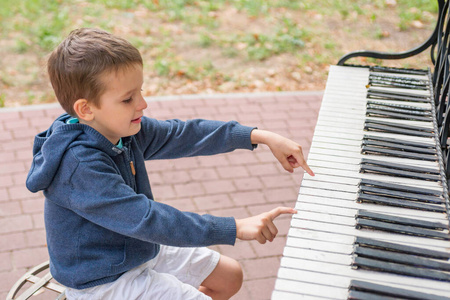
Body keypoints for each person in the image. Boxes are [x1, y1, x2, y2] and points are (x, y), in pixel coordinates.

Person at [26, 28, 314, 300]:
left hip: (136, 247)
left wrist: (258, 136)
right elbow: (147, 219)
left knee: (230, 276)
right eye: (128, 99)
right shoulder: (79, 166)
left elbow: (183, 134)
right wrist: (233, 227)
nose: (143, 104)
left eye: (139, 91)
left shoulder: (120, 130)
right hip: (102, 280)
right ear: (85, 109)